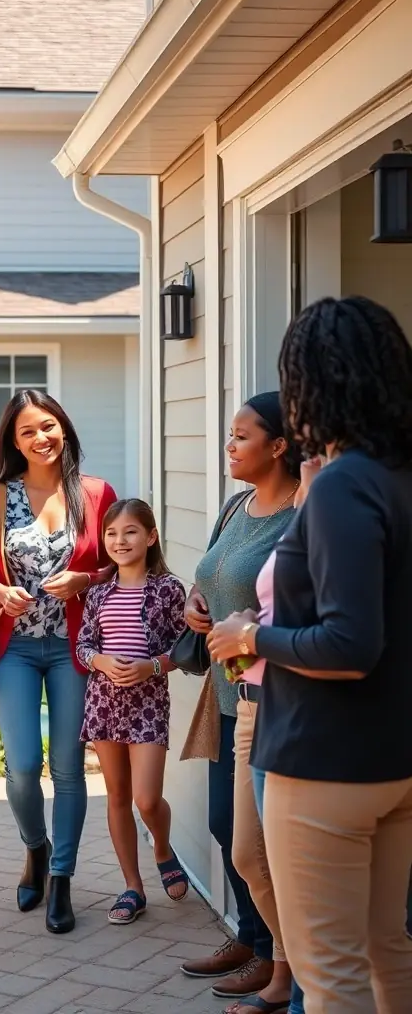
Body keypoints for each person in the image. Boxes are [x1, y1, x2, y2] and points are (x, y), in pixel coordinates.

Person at [209, 296, 412, 1014]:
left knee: (331, 980)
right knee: (387, 952)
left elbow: (349, 644)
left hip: (324, 757)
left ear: (313, 383)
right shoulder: (394, 477)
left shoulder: (346, 485)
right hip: (393, 757)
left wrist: (250, 637)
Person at [0, 390, 116, 934]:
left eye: (48, 426)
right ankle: (36, 847)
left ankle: (61, 878)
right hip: (15, 649)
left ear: (64, 429)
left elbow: (120, 563)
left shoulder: (96, 493)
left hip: (74, 649)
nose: (41, 438)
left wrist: (85, 579)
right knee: (24, 764)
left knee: (69, 767)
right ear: (14, 441)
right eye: (27, 431)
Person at [179, 393, 299, 1007]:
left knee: (262, 842)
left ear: (279, 446)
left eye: (242, 436)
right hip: (228, 694)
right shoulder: (235, 506)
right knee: (226, 827)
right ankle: (254, 939)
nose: (229, 445)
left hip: (273, 699)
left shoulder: (299, 514)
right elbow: (211, 575)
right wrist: (194, 604)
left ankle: (279, 961)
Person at [76, 498, 187, 925]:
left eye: (130, 532)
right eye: (111, 533)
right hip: (104, 703)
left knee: (146, 798)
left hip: (148, 705)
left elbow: (184, 649)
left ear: (151, 536)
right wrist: (101, 661)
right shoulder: (99, 592)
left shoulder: (169, 590)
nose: (120, 541)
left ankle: (162, 847)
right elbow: (84, 646)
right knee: (118, 796)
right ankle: (132, 887)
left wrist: (151, 667)